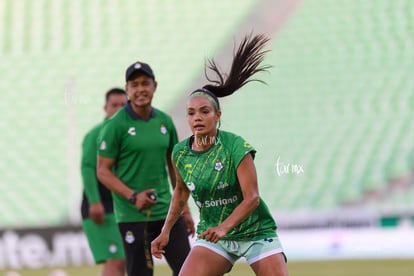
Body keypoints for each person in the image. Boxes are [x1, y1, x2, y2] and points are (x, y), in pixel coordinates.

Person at [151, 33, 289, 276]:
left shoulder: (236, 146)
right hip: (214, 233)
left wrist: (225, 227)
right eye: (191, 113)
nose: (197, 118)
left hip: (255, 231)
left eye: (204, 111)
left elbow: (252, 198)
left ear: (218, 115)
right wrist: (166, 231)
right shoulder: (180, 153)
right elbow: (181, 192)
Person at [96, 61, 195, 276]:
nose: (140, 89)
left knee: (188, 271)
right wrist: (133, 196)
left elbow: (174, 168)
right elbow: (103, 171)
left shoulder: (164, 122)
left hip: (167, 214)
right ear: (127, 89)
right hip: (133, 215)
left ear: (154, 86)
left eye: (145, 83)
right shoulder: (115, 125)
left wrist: (184, 209)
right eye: (134, 84)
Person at [80, 87, 127, 276]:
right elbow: (88, 168)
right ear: (105, 108)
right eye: (114, 105)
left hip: (122, 207)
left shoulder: (130, 135)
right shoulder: (95, 135)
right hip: (102, 206)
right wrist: (94, 201)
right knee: (116, 260)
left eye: (123, 105)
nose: (118, 109)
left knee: (122, 261)